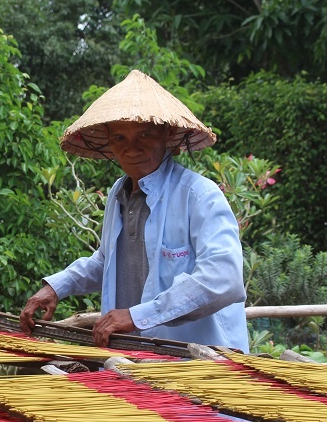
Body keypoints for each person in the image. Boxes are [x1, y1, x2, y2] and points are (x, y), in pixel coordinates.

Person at [19, 69, 249, 352]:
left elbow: (223, 277)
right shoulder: (119, 192)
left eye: (144, 134)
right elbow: (108, 261)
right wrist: (56, 286)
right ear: (109, 142)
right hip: (135, 357)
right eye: (119, 138)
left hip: (200, 362)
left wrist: (137, 315)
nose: (132, 148)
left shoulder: (199, 195)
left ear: (167, 134)